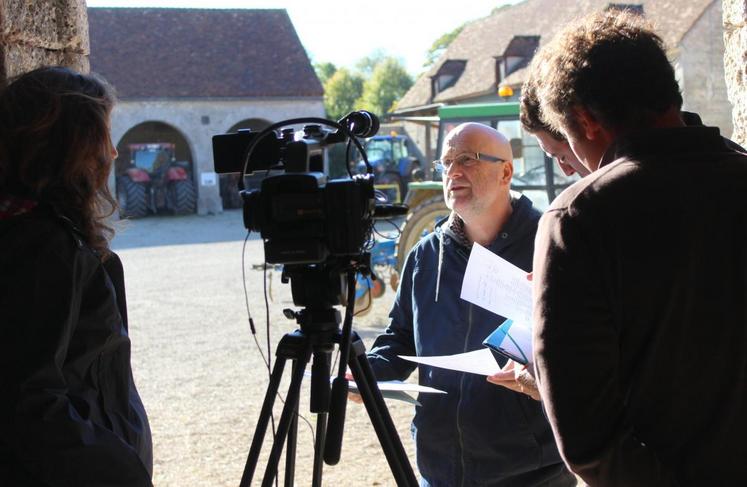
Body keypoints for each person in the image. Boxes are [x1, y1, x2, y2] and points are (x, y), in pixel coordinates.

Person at [530, 10, 747, 486]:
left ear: (586, 121)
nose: (575, 166)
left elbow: (589, 441)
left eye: (565, 140)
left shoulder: (579, 219)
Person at [364, 122, 574, 486]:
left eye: (467, 159)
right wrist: (365, 375)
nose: (452, 173)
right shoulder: (425, 256)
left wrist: (540, 376)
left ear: (506, 171)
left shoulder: (553, 247)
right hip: (440, 472)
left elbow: (586, 351)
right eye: (445, 163)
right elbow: (399, 339)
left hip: (532, 474)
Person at [0, 67, 153, 486]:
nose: (113, 153)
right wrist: (123, 473)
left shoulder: (33, 233)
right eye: (103, 135)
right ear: (72, 146)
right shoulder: (43, 247)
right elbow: (28, 403)